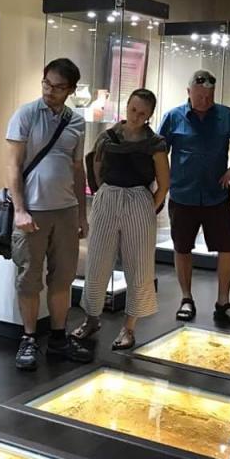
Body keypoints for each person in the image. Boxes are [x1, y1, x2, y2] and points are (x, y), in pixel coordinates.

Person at [6, 58, 93, 370]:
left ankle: (58, 337)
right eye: (46, 83)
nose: (50, 91)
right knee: (29, 277)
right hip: (33, 211)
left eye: (58, 87)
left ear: (70, 90)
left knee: (63, 277)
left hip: (65, 210)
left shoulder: (76, 122)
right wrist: (20, 210)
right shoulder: (26, 114)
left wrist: (81, 215)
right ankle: (29, 337)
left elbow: (78, 168)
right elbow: (14, 165)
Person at [71, 89, 170, 350]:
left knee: (139, 265)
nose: (136, 116)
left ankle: (129, 327)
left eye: (142, 113)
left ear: (149, 115)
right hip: (108, 197)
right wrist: (104, 192)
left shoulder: (155, 143)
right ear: (127, 106)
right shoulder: (108, 136)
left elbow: (164, 183)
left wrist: (148, 206)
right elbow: (96, 165)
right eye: (133, 109)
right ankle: (91, 318)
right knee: (97, 261)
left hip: (138, 199)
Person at [157, 69, 230, 327]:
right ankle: (186, 298)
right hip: (183, 194)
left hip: (216, 195)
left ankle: (224, 302)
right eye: (200, 96)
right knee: (182, 247)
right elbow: (158, 151)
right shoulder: (173, 117)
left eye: (209, 96)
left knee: (227, 248)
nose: (205, 101)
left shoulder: (226, 115)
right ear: (188, 92)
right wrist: (164, 184)